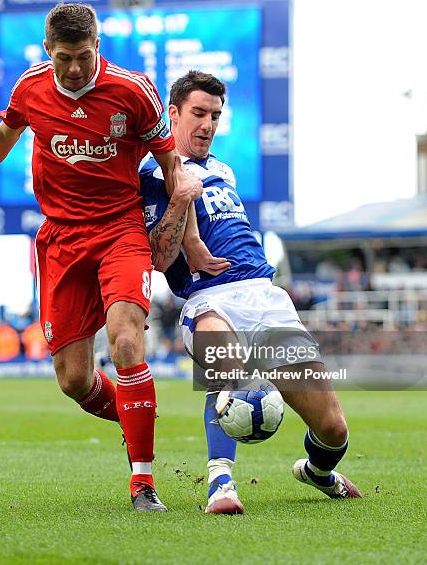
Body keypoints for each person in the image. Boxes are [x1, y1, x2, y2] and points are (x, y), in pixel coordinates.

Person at [0, 3, 226, 512]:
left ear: (98, 48)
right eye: (64, 58)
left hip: (121, 232)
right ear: (48, 51)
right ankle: (137, 413)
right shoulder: (30, 88)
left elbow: (171, 167)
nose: (74, 69)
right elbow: (3, 137)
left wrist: (191, 237)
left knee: (124, 343)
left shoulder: (133, 91)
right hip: (61, 239)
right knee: (74, 379)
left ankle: (143, 484)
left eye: (84, 56)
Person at [139, 70, 361, 515]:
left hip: (265, 296)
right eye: (198, 113)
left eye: (215, 116)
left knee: (333, 428)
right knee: (224, 358)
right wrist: (181, 199)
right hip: (208, 298)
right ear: (173, 112)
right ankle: (220, 482)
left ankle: (317, 472)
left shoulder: (223, 169)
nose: (207, 124)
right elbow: (159, 258)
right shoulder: (150, 171)